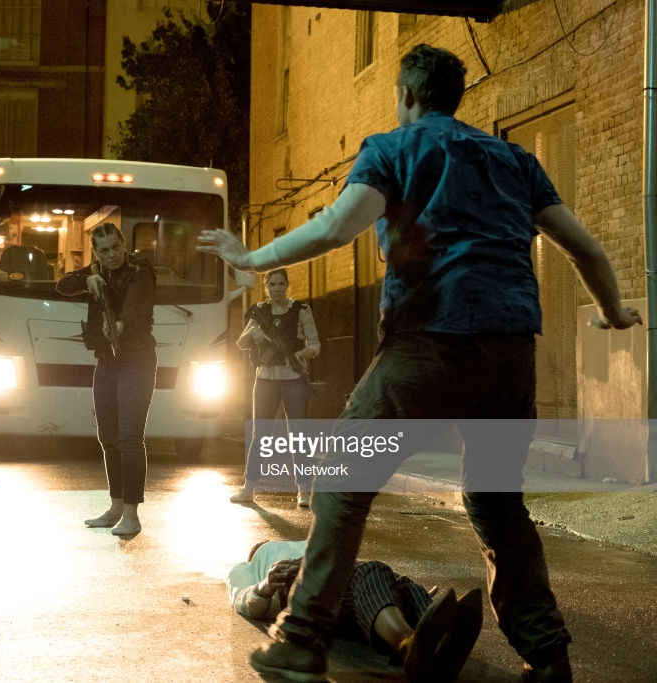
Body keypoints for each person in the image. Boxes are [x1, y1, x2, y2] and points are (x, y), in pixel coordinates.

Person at [198, 44, 642, 683]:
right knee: (496, 503)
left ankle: (300, 641)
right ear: (454, 97)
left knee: (341, 479)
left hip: (432, 341)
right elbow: (584, 248)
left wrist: (250, 259)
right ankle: (547, 657)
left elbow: (334, 227)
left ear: (406, 94)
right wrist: (613, 309)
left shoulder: (392, 149)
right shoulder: (515, 159)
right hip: (511, 352)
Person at [228, 540, 482, 682]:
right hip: (301, 581)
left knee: (398, 585)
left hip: (350, 576)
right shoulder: (250, 563)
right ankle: (412, 645)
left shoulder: (313, 537)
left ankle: (437, 648)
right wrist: (266, 584)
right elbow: (242, 600)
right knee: (372, 572)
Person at [57, 223, 157, 536]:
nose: (110, 255)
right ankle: (115, 507)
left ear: (124, 244)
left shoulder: (142, 271)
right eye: (103, 251)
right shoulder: (96, 270)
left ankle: (132, 514)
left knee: (130, 437)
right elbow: (62, 285)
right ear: (96, 253)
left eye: (115, 247)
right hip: (107, 362)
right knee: (108, 437)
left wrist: (121, 323)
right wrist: (86, 278)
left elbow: (134, 303)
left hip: (137, 362)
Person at [232, 268, 321, 507]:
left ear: (287, 285)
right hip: (264, 380)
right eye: (272, 284)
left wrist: (297, 355)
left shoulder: (301, 311)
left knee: (299, 435)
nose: (277, 289)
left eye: (281, 284)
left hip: (293, 378)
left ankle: (304, 491)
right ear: (266, 287)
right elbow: (240, 343)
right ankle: (248, 489)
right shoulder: (259, 313)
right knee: (259, 436)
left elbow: (315, 345)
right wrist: (254, 332)